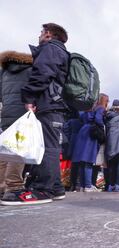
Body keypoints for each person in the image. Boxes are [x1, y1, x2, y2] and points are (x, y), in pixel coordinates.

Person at [21, 23, 70, 201]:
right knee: (51, 146)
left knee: (47, 147)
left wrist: (29, 97)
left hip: (49, 104)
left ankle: (43, 190)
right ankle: (56, 188)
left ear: (48, 34)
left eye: (41, 32)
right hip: (55, 105)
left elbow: (42, 73)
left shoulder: (51, 49)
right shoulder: (59, 50)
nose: (40, 35)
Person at [0, 50, 51, 205]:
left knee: (5, 150)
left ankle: (2, 186)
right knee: (19, 150)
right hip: (22, 114)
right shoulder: (30, 71)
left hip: (6, 114)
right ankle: (14, 186)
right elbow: (34, 91)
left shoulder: (4, 73)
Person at [71, 95, 107, 192]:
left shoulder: (88, 109)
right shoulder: (100, 108)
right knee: (88, 161)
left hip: (83, 132)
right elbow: (98, 119)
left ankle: (83, 186)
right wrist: (103, 125)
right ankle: (88, 185)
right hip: (91, 133)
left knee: (82, 162)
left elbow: (81, 117)